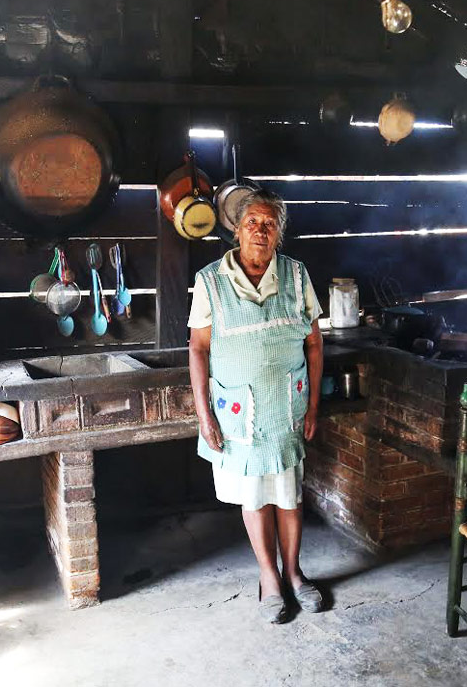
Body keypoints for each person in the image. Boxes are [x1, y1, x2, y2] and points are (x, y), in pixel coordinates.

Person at [188, 188, 325, 624]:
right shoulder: (210, 281)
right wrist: (204, 415)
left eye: (269, 224)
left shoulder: (296, 275)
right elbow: (197, 349)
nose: (260, 231)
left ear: (279, 233)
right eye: (252, 222)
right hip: (238, 413)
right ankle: (269, 578)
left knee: (288, 496)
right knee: (255, 498)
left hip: (287, 406)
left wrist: (313, 406)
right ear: (237, 230)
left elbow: (314, 343)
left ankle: (295, 574)